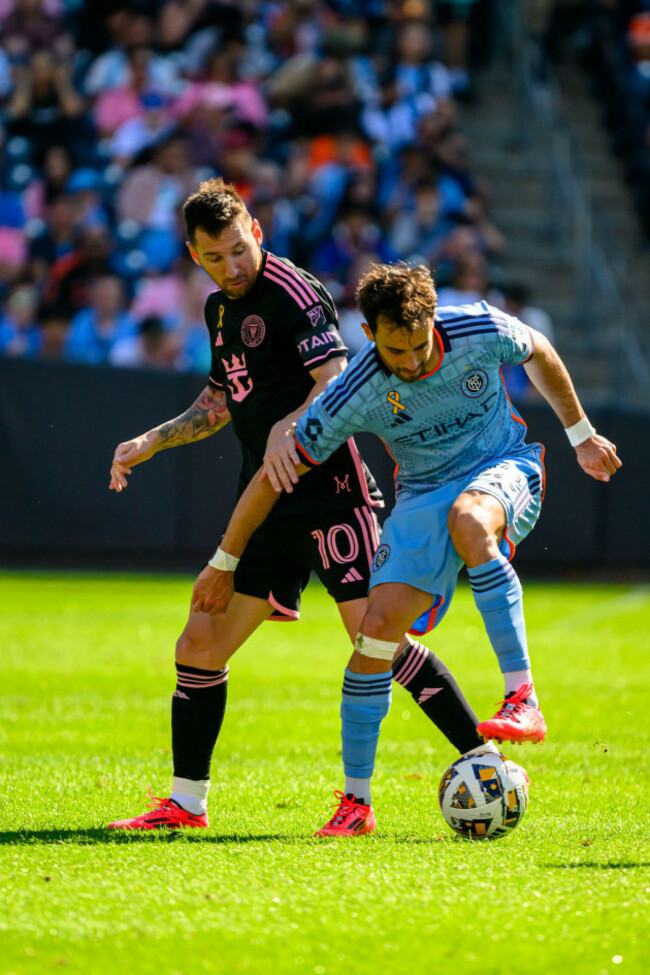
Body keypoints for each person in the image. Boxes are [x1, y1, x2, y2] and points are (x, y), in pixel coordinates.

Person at [106, 180, 484, 831]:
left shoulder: (294, 291)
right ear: (196, 257)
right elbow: (219, 403)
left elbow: (334, 380)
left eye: (238, 248)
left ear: (254, 227)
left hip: (329, 495)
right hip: (265, 499)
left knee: (376, 641)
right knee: (200, 640)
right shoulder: (219, 310)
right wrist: (153, 439)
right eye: (215, 256)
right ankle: (186, 801)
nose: (232, 264)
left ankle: (479, 758)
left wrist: (294, 424)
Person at [197, 261, 622, 837]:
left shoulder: (475, 328)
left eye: (421, 345)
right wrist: (225, 560)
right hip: (421, 495)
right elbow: (277, 473)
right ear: (368, 335)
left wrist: (581, 435)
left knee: (470, 520)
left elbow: (539, 348)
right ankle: (356, 806)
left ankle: (522, 696)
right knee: (374, 634)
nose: (415, 361)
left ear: (432, 321)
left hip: (502, 465)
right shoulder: (354, 391)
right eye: (398, 351)